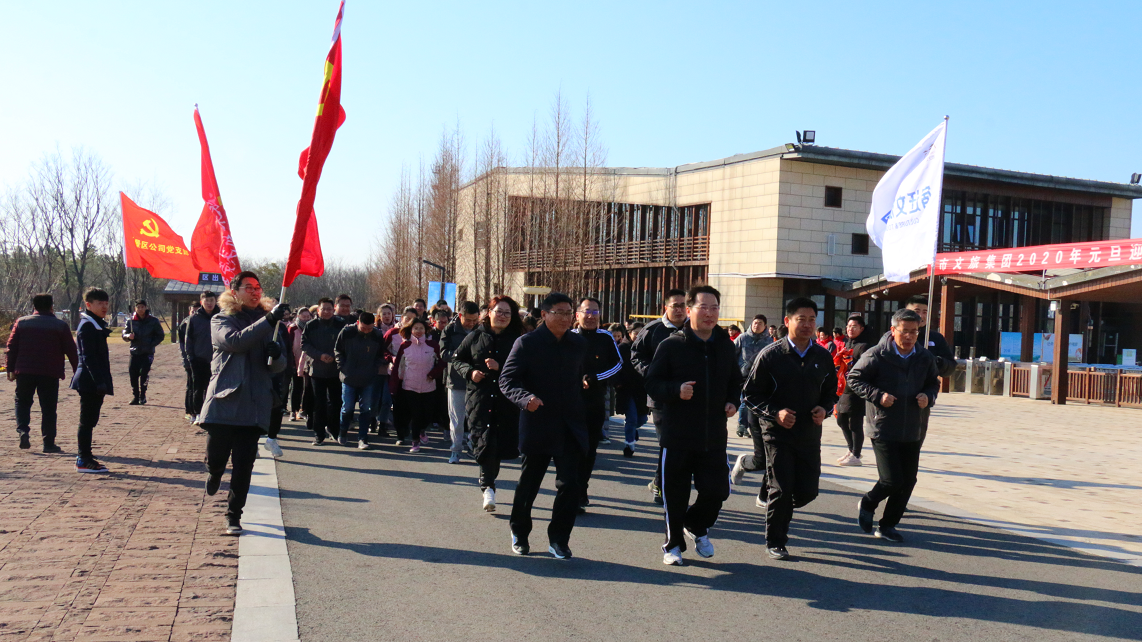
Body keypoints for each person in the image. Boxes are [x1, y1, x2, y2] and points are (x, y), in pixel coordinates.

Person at [735, 297, 838, 561]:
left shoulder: (822, 356)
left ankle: (778, 504)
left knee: (807, 492)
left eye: (812, 320)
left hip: (809, 434)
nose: (807, 325)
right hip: (776, 434)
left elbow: (831, 392)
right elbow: (750, 395)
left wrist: (824, 409)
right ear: (787, 321)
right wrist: (775, 413)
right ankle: (776, 540)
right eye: (801, 319)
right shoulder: (771, 355)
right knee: (781, 488)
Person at [645, 285, 742, 566]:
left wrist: (733, 401)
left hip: (713, 434)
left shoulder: (724, 345)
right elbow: (652, 382)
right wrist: (676, 390)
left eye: (715, 308)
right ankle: (673, 545)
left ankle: (696, 525)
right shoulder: (672, 345)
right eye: (704, 307)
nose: (710, 314)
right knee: (675, 494)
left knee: (717, 491)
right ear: (689, 311)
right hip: (677, 434)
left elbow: (736, 381)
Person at [198, 271, 289, 535]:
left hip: (254, 403)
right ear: (234, 291)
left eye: (258, 287)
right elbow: (234, 342)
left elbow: (279, 366)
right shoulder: (221, 318)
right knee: (217, 455)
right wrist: (269, 320)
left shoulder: (269, 324)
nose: (254, 292)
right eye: (248, 287)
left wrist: (276, 355)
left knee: (244, 464)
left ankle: (234, 515)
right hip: (225, 400)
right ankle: (214, 471)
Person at [499, 292, 587, 559]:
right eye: (559, 312)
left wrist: (585, 381)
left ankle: (559, 539)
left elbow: (582, 374)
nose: (566, 317)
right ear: (544, 314)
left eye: (569, 312)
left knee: (570, 485)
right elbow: (507, 381)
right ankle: (520, 531)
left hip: (571, 424)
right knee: (530, 483)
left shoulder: (578, 344)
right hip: (539, 422)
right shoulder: (527, 343)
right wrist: (526, 399)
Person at [848, 308, 940, 543]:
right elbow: (854, 378)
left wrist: (928, 396)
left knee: (908, 480)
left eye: (914, 332)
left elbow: (933, 383)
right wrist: (878, 396)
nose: (909, 336)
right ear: (893, 330)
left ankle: (887, 525)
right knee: (891, 480)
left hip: (913, 427)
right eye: (904, 331)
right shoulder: (877, 354)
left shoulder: (924, 357)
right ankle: (869, 502)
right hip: (884, 426)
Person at [452, 296, 524, 511]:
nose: (502, 316)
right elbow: (457, 359)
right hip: (480, 399)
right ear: (489, 313)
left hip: (506, 401)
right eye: (498, 311)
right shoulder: (475, 336)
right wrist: (470, 372)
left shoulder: (518, 340)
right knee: (484, 443)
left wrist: (499, 367)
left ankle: (488, 485)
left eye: (507, 313)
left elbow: (526, 368)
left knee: (497, 445)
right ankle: (488, 487)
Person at [630, 288, 688, 504]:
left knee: (681, 446)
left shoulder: (694, 329)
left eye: (684, 305)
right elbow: (636, 357)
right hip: (660, 398)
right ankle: (661, 485)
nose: (680, 309)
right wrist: (654, 375)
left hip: (688, 398)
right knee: (667, 443)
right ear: (666, 307)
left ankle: (661, 481)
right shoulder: (653, 330)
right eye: (676, 305)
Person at [6, 293, 78, 452]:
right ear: (52, 306)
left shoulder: (21, 323)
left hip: (24, 372)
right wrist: (77, 371)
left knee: (22, 402)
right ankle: (48, 443)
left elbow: (11, 347)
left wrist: (10, 368)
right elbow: (71, 351)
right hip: (49, 372)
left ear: (34, 306)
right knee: (49, 408)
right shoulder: (60, 325)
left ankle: (23, 431)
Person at [572, 297, 623, 512]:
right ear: (577, 314)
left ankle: (581, 491)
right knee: (571, 449)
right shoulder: (568, 337)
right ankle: (570, 491)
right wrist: (576, 378)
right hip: (570, 402)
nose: (591, 316)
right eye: (586, 311)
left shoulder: (606, 337)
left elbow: (618, 364)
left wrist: (596, 378)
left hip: (594, 402)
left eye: (595, 312)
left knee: (589, 450)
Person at [71, 288, 114, 472]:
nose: (104, 306)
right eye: (99, 303)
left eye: (106, 303)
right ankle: (83, 458)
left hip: (95, 379)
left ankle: (86, 454)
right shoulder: (88, 326)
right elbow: (88, 357)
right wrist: (99, 381)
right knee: (87, 420)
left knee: (91, 420)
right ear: (88, 305)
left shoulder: (96, 324)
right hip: (89, 381)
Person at [390, 318, 443, 452]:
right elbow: (398, 367)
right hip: (409, 385)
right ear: (410, 330)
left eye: (421, 328)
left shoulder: (433, 345)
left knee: (427, 415)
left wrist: (433, 374)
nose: (418, 331)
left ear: (425, 330)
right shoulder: (405, 346)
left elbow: (442, 363)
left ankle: (422, 431)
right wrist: (395, 384)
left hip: (428, 386)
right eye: (416, 328)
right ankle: (415, 442)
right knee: (415, 414)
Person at [335, 311, 385, 450]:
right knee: (348, 407)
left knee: (365, 408)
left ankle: (363, 437)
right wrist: (342, 367)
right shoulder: (347, 332)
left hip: (368, 377)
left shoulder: (377, 335)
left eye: (370, 328)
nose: (367, 331)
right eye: (364, 328)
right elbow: (338, 350)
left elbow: (380, 355)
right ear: (358, 323)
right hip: (349, 376)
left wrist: (374, 368)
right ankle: (343, 431)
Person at [441, 301, 480, 463]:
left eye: (474, 320)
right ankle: (456, 450)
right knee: (457, 419)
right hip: (455, 380)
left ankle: (474, 446)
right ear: (460, 316)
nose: (471, 323)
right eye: (468, 320)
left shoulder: (480, 330)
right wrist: (460, 355)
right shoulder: (450, 330)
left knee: (476, 418)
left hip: (476, 380)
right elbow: (443, 353)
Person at [302, 298, 343, 446]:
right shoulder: (311, 326)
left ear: (334, 310)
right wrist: (319, 355)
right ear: (318, 310)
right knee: (318, 403)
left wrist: (335, 357)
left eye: (329, 309)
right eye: (323, 309)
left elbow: (346, 345)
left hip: (335, 370)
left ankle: (334, 429)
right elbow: (304, 344)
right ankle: (319, 434)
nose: (326, 311)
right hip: (317, 369)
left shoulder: (340, 325)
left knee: (336, 402)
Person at [835, 315, 875, 466]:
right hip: (843, 388)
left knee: (854, 422)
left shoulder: (863, 346)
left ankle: (856, 454)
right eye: (849, 326)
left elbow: (864, 367)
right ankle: (851, 449)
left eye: (854, 326)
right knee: (841, 419)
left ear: (861, 329)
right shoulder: (846, 344)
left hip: (856, 389)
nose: (850, 329)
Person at [734, 314, 772, 439]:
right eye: (755, 322)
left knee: (756, 401)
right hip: (743, 375)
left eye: (760, 323)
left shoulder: (768, 341)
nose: (757, 325)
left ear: (765, 326)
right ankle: (742, 424)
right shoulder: (742, 338)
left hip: (761, 376)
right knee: (745, 400)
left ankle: (754, 425)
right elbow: (732, 353)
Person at [384, 307, 418, 444]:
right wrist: (391, 358)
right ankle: (400, 434)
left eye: (413, 319)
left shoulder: (420, 334)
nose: (409, 321)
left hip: (415, 375)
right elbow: (383, 350)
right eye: (407, 318)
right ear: (401, 318)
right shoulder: (392, 333)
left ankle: (408, 428)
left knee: (411, 404)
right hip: (396, 374)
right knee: (398, 405)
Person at [121, 299, 165, 405]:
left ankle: (143, 396)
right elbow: (124, 334)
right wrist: (128, 336)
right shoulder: (131, 321)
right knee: (133, 374)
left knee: (144, 373)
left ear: (146, 308)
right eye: (138, 307)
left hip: (147, 352)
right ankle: (135, 396)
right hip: (134, 352)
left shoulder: (153, 321)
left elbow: (160, 335)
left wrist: (151, 343)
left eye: (142, 307)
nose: (140, 309)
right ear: (135, 308)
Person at [185, 291, 219, 422]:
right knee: (198, 388)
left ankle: (213, 414)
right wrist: (191, 358)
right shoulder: (194, 319)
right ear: (201, 302)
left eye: (212, 300)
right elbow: (188, 340)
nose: (209, 303)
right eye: (207, 301)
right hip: (199, 360)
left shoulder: (221, 316)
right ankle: (198, 413)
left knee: (215, 389)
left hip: (217, 359)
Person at [287, 307, 313, 421]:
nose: (306, 319)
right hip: (295, 361)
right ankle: (294, 410)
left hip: (308, 362)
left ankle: (304, 410)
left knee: (307, 387)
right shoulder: (293, 329)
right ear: (298, 317)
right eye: (304, 316)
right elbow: (288, 346)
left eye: (308, 317)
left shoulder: (312, 328)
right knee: (296, 387)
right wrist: (291, 362)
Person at [177, 302, 197, 420]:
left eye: (196, 311)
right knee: (191, 385)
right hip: (190, 360)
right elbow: (182, 345)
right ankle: (190, 410)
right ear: (189, 311)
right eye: (192, 311)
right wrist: (186, 360)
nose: (194, 313)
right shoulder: (185, 324)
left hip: (201, 359)